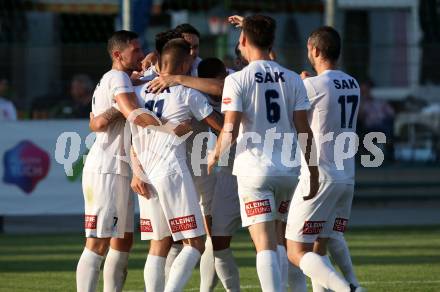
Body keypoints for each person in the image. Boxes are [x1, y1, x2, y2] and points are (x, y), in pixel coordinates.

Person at [209, 15, 318, 291]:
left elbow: (230, 129)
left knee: (265, 244)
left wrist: (214, 154)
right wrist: (314, 170)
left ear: (243, 40)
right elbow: (304, 129)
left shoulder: (238, 80)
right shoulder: (293, 78)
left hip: (255, 171)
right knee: (281, 238)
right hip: (288, 172)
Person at [130, 38, 223, 292]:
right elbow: (221, 125)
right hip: (171, 170)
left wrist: (136, 172)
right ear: (185, 63)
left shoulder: (138, 91)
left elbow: (133, 135)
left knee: (158, 244)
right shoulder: (187, 92)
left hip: (146, 173)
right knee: (195, 243)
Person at [77, 30, 161, 292]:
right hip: (107, 168)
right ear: (117, 54)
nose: (139, 53)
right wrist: (167, 129)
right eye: (134, 50)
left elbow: (100, 121)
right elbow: (131, 112)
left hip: (119, 168)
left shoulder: (120, 78)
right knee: (98, 241)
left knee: (122, 241)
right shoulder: (117, 78)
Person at [285, 26, 364, 292]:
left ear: (316, 50)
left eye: (309, 48)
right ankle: (351, 283)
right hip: (347, 176)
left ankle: (349, 289)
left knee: (295, 251)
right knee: (320, 246)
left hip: (320, 175)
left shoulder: (311, 85)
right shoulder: (353, 83)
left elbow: (293, 118)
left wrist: (302, 84)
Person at [197, 57, 242, 292]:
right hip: (220, 174)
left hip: (243, 171)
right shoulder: (195, 93)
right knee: (214, 240)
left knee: (271, 241)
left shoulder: (236, 84)